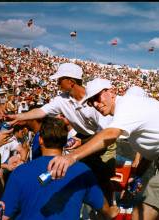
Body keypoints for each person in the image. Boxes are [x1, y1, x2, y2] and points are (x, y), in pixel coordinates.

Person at [47, 78, 159, 220]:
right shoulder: (130, 111)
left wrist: (71, 157)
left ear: (111, 92)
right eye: (91, 102)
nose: (95, 104)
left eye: (97, 98)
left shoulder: (127, 104)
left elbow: (111, 134)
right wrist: (137, 175)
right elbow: (150, 150)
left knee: (140, 215)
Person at [8, 63, 116, 205]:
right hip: (84, 136)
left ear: (71, 82)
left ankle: (108, 210)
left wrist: (83, 142)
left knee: (101, 178)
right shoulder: (61, 99)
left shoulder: (95, 99)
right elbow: (42, 111)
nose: (57, 82)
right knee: (81, 175)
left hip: (104, 138)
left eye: (60, 79)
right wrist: (20, 116)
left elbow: (105, 134)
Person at [2, 117, 119, 220]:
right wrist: (110, 212)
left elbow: (5, 214)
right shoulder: (82, 171)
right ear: (65, 141)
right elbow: (100, 203)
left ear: (40, 140)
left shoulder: (20, 171)